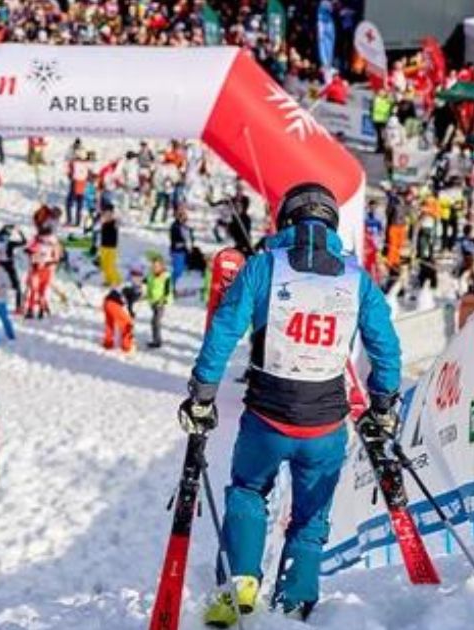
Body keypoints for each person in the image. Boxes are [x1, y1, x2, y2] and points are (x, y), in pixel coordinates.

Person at [179, 184, 401, 626]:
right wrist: (382, 403)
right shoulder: (357, 279)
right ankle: (295, 600)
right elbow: (387, 349)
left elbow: (223, 333)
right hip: (325, 426)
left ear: (286, 220)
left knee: (247, 490)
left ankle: (240, 583)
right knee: (310, 515)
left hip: (267, 418)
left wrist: (202, 393)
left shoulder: (263, 267)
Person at [145, 255, 173, 348]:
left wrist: (164, 300)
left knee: (155, 321)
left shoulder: (166, 277)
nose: (154, 268)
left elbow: (168, 291)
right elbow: (147, 286)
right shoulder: (150, 275)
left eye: (157, 266)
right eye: (153, 266)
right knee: (154, 322)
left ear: (161, 266)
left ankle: (157, 341)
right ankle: (155, 339)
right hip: (152, 302)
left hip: (160, 303)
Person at [101, 286, 134, 353]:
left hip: (106, 302)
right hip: (113, 304)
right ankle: (126, 346)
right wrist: (131, 314)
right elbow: (130, 305)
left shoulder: (125, 288)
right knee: (127, 324)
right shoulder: (133, 292)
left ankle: (108, 343)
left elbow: (128, 304)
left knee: (110, 323)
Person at [98, 207, 121, 287]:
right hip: (103, 247)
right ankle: (108, 280)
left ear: (112, 214)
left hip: (111, 248)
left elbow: (118, 222)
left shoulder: (114, 222)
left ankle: (115, 280)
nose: (107, 215)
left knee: (110, 265)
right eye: (105, 214)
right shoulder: (103, 223)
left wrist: (116, 218)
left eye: (109, 214)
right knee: (104, 265)